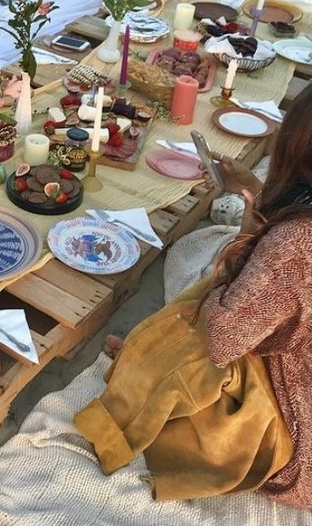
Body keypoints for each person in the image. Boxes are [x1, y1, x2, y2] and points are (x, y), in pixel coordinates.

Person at [74, 82, 312, 510]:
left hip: (294, 438)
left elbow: (223, 338)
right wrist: (255, 196)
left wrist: (247, 238)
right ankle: (142, 355)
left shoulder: (297, 241)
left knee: (196, 315)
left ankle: (135, 379)